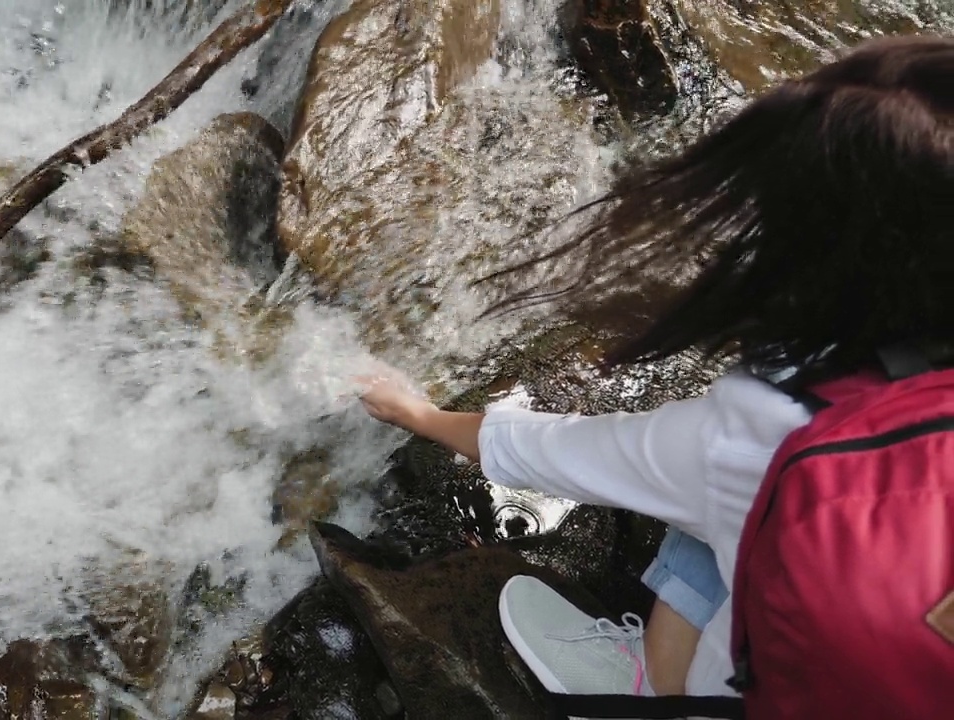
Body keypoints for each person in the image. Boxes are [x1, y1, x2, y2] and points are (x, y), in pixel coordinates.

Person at [356, 33, 953, 703]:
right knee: (738, 517)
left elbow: (565, 455)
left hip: (772, 691)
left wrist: (420, 414)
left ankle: (653, 691)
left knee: (724, 513)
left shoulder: (764, 432)